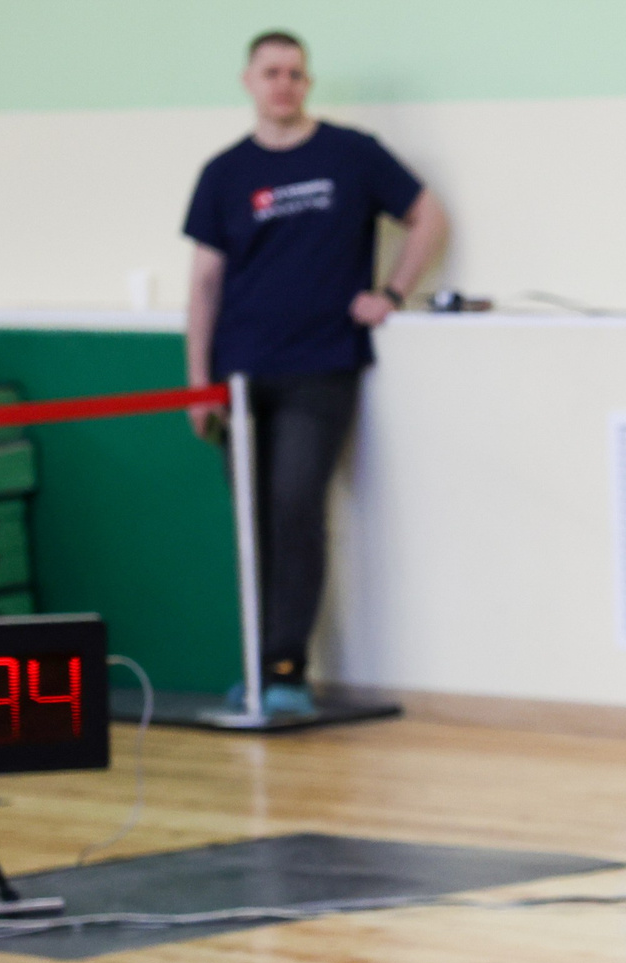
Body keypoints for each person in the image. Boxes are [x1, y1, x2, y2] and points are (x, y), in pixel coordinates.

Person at [183, 29, 448, 717]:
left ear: (307, 83)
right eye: (271, 73)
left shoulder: (350, 154)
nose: (284, 84)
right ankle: (252, 658)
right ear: (249, 81)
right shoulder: (224, 173)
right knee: (252, 518)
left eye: (296, 73)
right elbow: (204, 284)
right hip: (238, 377)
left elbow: (428, 215)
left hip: (322, 366)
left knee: (296, 508)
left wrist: (390, 293)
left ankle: (285, 667)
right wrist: (197, 382)